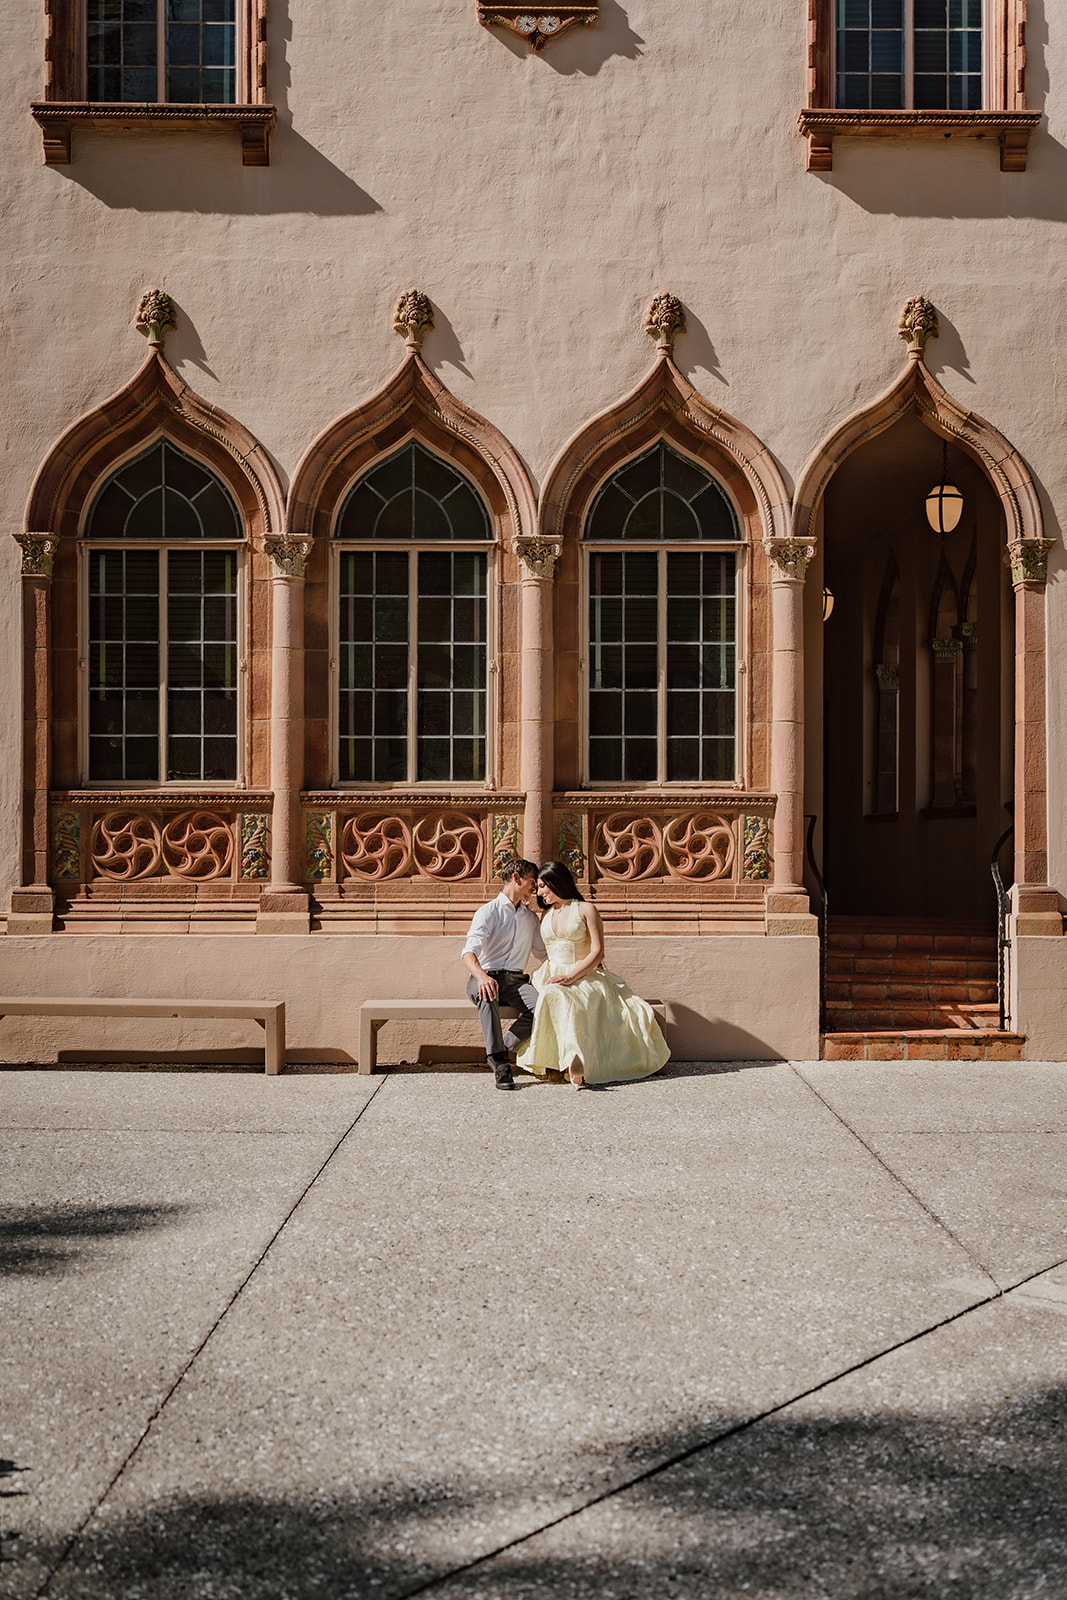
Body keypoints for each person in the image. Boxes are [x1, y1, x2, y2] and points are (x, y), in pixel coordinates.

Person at [517, 860, 670, 1088]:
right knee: (552, 994)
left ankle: (574, 1063)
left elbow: (598, 952)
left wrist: (571, 976)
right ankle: (563, 1061)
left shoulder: (586, 909)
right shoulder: (545, 915)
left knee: (565, 997)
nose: (539, 893)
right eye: (537, 887)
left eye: (542, 887)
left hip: (583, 973)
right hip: (550, 973)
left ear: (555, 882)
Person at [462, 857, 547, 1090]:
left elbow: (545, 953)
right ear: (516, 878)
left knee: (542, 1007)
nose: (535, 888)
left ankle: (503, 1047)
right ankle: (500, 1064)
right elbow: (468, 953)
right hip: (486, 977)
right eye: (532, 882)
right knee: (487, 992)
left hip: (516, 982)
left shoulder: (530, 918)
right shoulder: (488, 912)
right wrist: (482, 976)